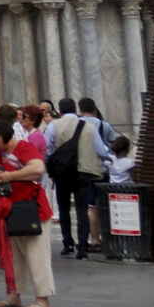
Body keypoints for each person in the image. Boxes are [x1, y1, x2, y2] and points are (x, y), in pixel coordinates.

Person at [0, 117, 55, 307]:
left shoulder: (23, 148)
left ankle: (43, 298)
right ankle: (14, 294)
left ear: (0, 135)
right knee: (14, 255)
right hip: (9, 210)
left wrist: (9, 176)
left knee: (36, 254)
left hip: (30, 209)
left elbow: (38, 169)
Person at [45, 95, 114, 259]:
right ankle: (82, 247)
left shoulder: (53, 126)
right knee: (82, 209)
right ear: (75, 109)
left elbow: (47, 149)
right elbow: (101, 150)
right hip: (83, 172)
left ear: (60, 111)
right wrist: (110, 159)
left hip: (62, 173)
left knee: (63, 209)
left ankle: (67, 243)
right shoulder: (88, 126)